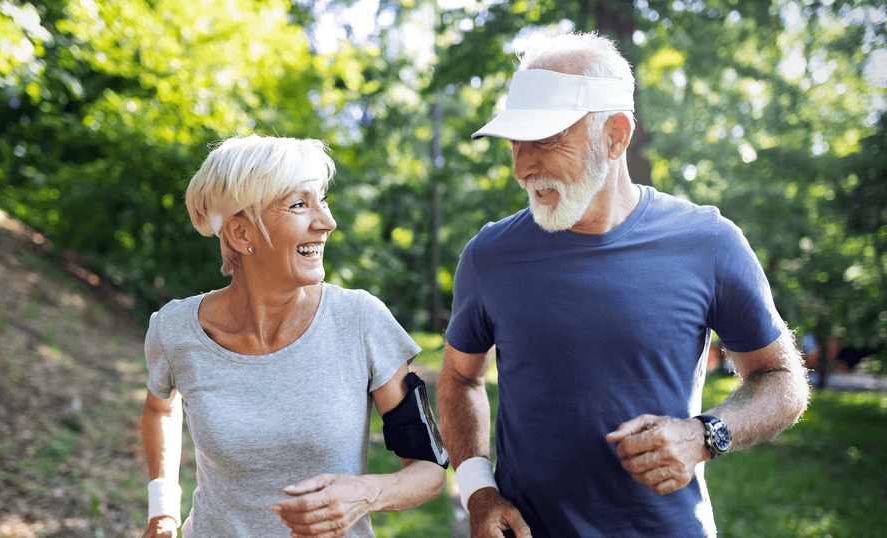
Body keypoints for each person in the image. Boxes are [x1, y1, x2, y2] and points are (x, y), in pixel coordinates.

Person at [437, 32, 810, 538]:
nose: (523, 166)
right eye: (514, 142)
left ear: (615, 135)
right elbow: (460, 378)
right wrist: (480, 493)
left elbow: (781, 377)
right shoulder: (489, 255)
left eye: (545, 139)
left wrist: (706, 435)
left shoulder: (710, 243)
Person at [140, 135, 447, 538]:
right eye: (300, 204)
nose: (327, 222)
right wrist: (162, 511)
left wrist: (368, 492)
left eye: (322, 200)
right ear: (240, 234)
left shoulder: (360, 321)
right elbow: (160, 408)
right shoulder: (175, 329)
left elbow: (430, 469)